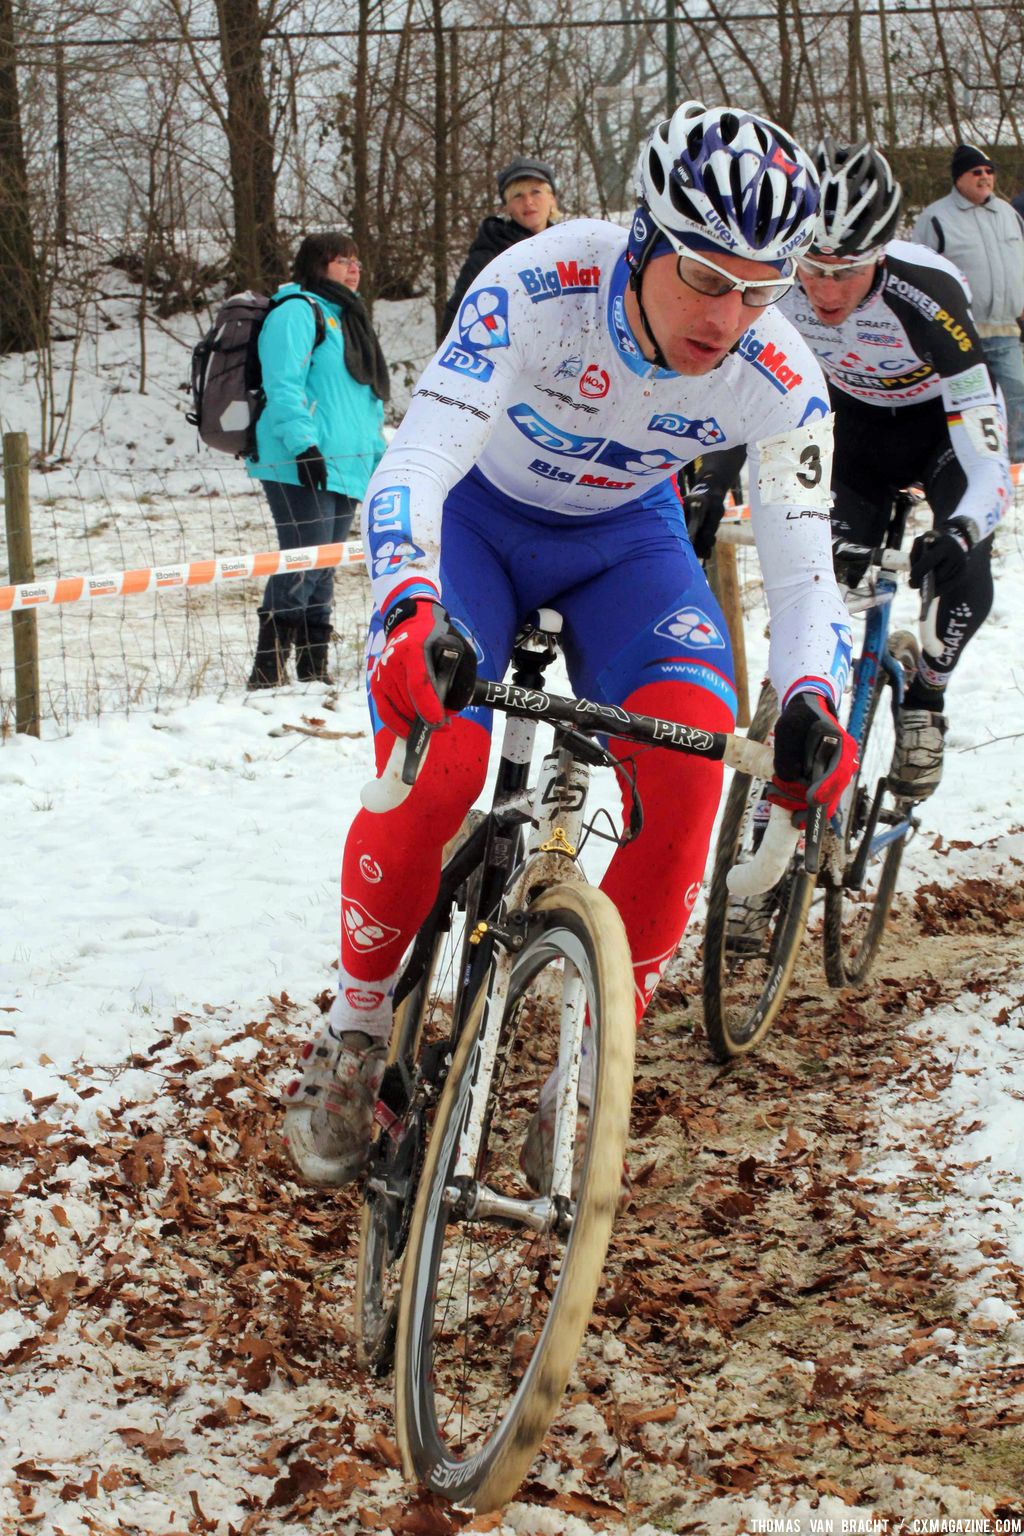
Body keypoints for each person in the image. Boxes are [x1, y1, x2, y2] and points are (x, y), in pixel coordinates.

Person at [283, 100, 861, 1188]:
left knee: (692, 760)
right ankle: (358, 1026)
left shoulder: (781, 375)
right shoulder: (540, 283)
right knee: (441, 760)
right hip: (476, 526)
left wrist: (814, 697)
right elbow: (414, 466)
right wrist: (410, 604)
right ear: (642, 241)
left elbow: (799, 566)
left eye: (759, 288)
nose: (727, 314)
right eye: (701, 274)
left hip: (624, 547)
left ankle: (597, 1056)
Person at [692, 138, 1010, 809]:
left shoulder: (928, 293)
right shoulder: (773, 287)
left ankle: (926, 695)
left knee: (963, 567)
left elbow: (988, 457)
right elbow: (739, 390)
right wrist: (711, 480)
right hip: (851, 431)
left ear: (881, 255)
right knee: (819, 574)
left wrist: (959, 532)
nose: (824, 289)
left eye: (847, 271)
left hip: (937, 434)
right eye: (811, 267)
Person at [246, 232, 389, 688]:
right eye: (342, 260)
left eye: (356, 260)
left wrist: (380, 458)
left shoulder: (348, 319)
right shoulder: (296, 312)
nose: (354, 268)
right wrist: (302, 444)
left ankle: (313, 670)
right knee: (302, 559)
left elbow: (363, 402)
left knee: (323, 564)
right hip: (299, 459)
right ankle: (268, 671)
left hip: (345, 463)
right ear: (315, 265)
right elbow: (282, 384)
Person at [911, 144, 1024, 460]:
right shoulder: (935, 217)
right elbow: (917, 273)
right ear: (959, 178)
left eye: (989, 171)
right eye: (977, 171)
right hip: (959, 334)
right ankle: (965, 463)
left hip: (1005, 330)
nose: (985, 177)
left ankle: (1016, 467)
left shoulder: (1008, 214)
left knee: (1016, 395)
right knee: (967, 404)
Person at [439, 157, 561, 337]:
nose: (528, 202)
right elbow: (458, 318)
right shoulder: (489, 254)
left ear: (552, 199)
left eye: (536, 192)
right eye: (518, 195)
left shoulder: (569, 247)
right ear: (507, 206)